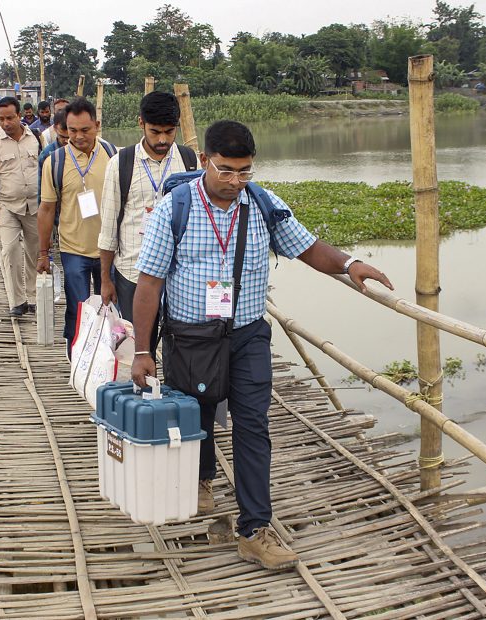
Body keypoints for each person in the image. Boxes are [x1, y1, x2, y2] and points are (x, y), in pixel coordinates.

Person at [130, 120, 393, 570]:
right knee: (197, 415)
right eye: (226, 170)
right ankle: (201, 477)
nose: (236, 181)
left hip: (248, 334)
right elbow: (150, 282)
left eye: (244, 171)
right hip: (191, 337)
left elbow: (307, 247)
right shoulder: (175, 207)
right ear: (205, 160)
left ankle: (254, 530)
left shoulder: (263, 204)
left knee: (253, 426)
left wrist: (350, 263)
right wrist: (141, 351)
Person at [98, 91, 198, 353]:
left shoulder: (189, 161)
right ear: (141, 123)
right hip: (134, 271)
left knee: (181, 345)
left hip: (179, 273)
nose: (162, 139)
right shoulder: (121, 164)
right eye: (155, 132)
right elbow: (108, 228)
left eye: (169, 131)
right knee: (139, 347)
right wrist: (106, 280)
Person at [36, 98, 117, 355]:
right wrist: (43, 253)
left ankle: (107, 359)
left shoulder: (114, 156)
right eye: (72, 130)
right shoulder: (54, 162)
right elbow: (46, 209)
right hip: (73, 249)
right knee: (78, 307)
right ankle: (77, 358)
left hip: (110, 248)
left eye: (85, 130)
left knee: (111, 308)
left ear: (97, 125)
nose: (78, 136)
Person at [0, 96, 42, 317]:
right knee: (10, 250)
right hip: (7, 206)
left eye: (9, 118)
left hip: (35, 205)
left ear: (19, 116)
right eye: (1, 119)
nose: (5, 123)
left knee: (35, 252)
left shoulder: (36, 138)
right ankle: (17, 301)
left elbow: (46, 169)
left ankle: (33, 297)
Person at [36, 110, 71, 193]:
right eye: (62, 137)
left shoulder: (81, 149)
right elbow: (41, 188)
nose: (66, 141)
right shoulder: (46, 154)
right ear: (55, 128)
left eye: (69, 137)